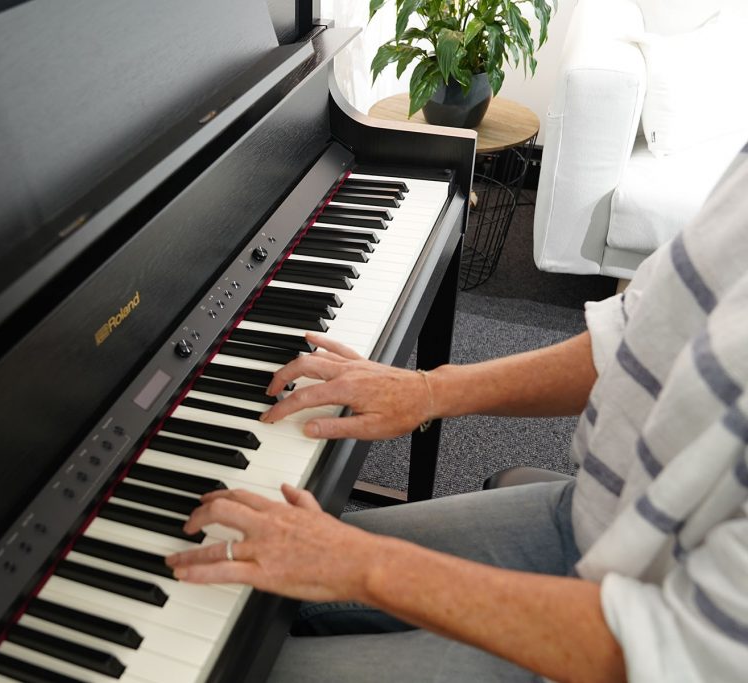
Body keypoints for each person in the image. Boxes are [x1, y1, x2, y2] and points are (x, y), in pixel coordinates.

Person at [166, 146, 748, 682]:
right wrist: (428, 390)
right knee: (249, 585)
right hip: (601, 517)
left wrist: (359, 564)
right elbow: (642, 330)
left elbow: (682, 650)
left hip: (642, 644)